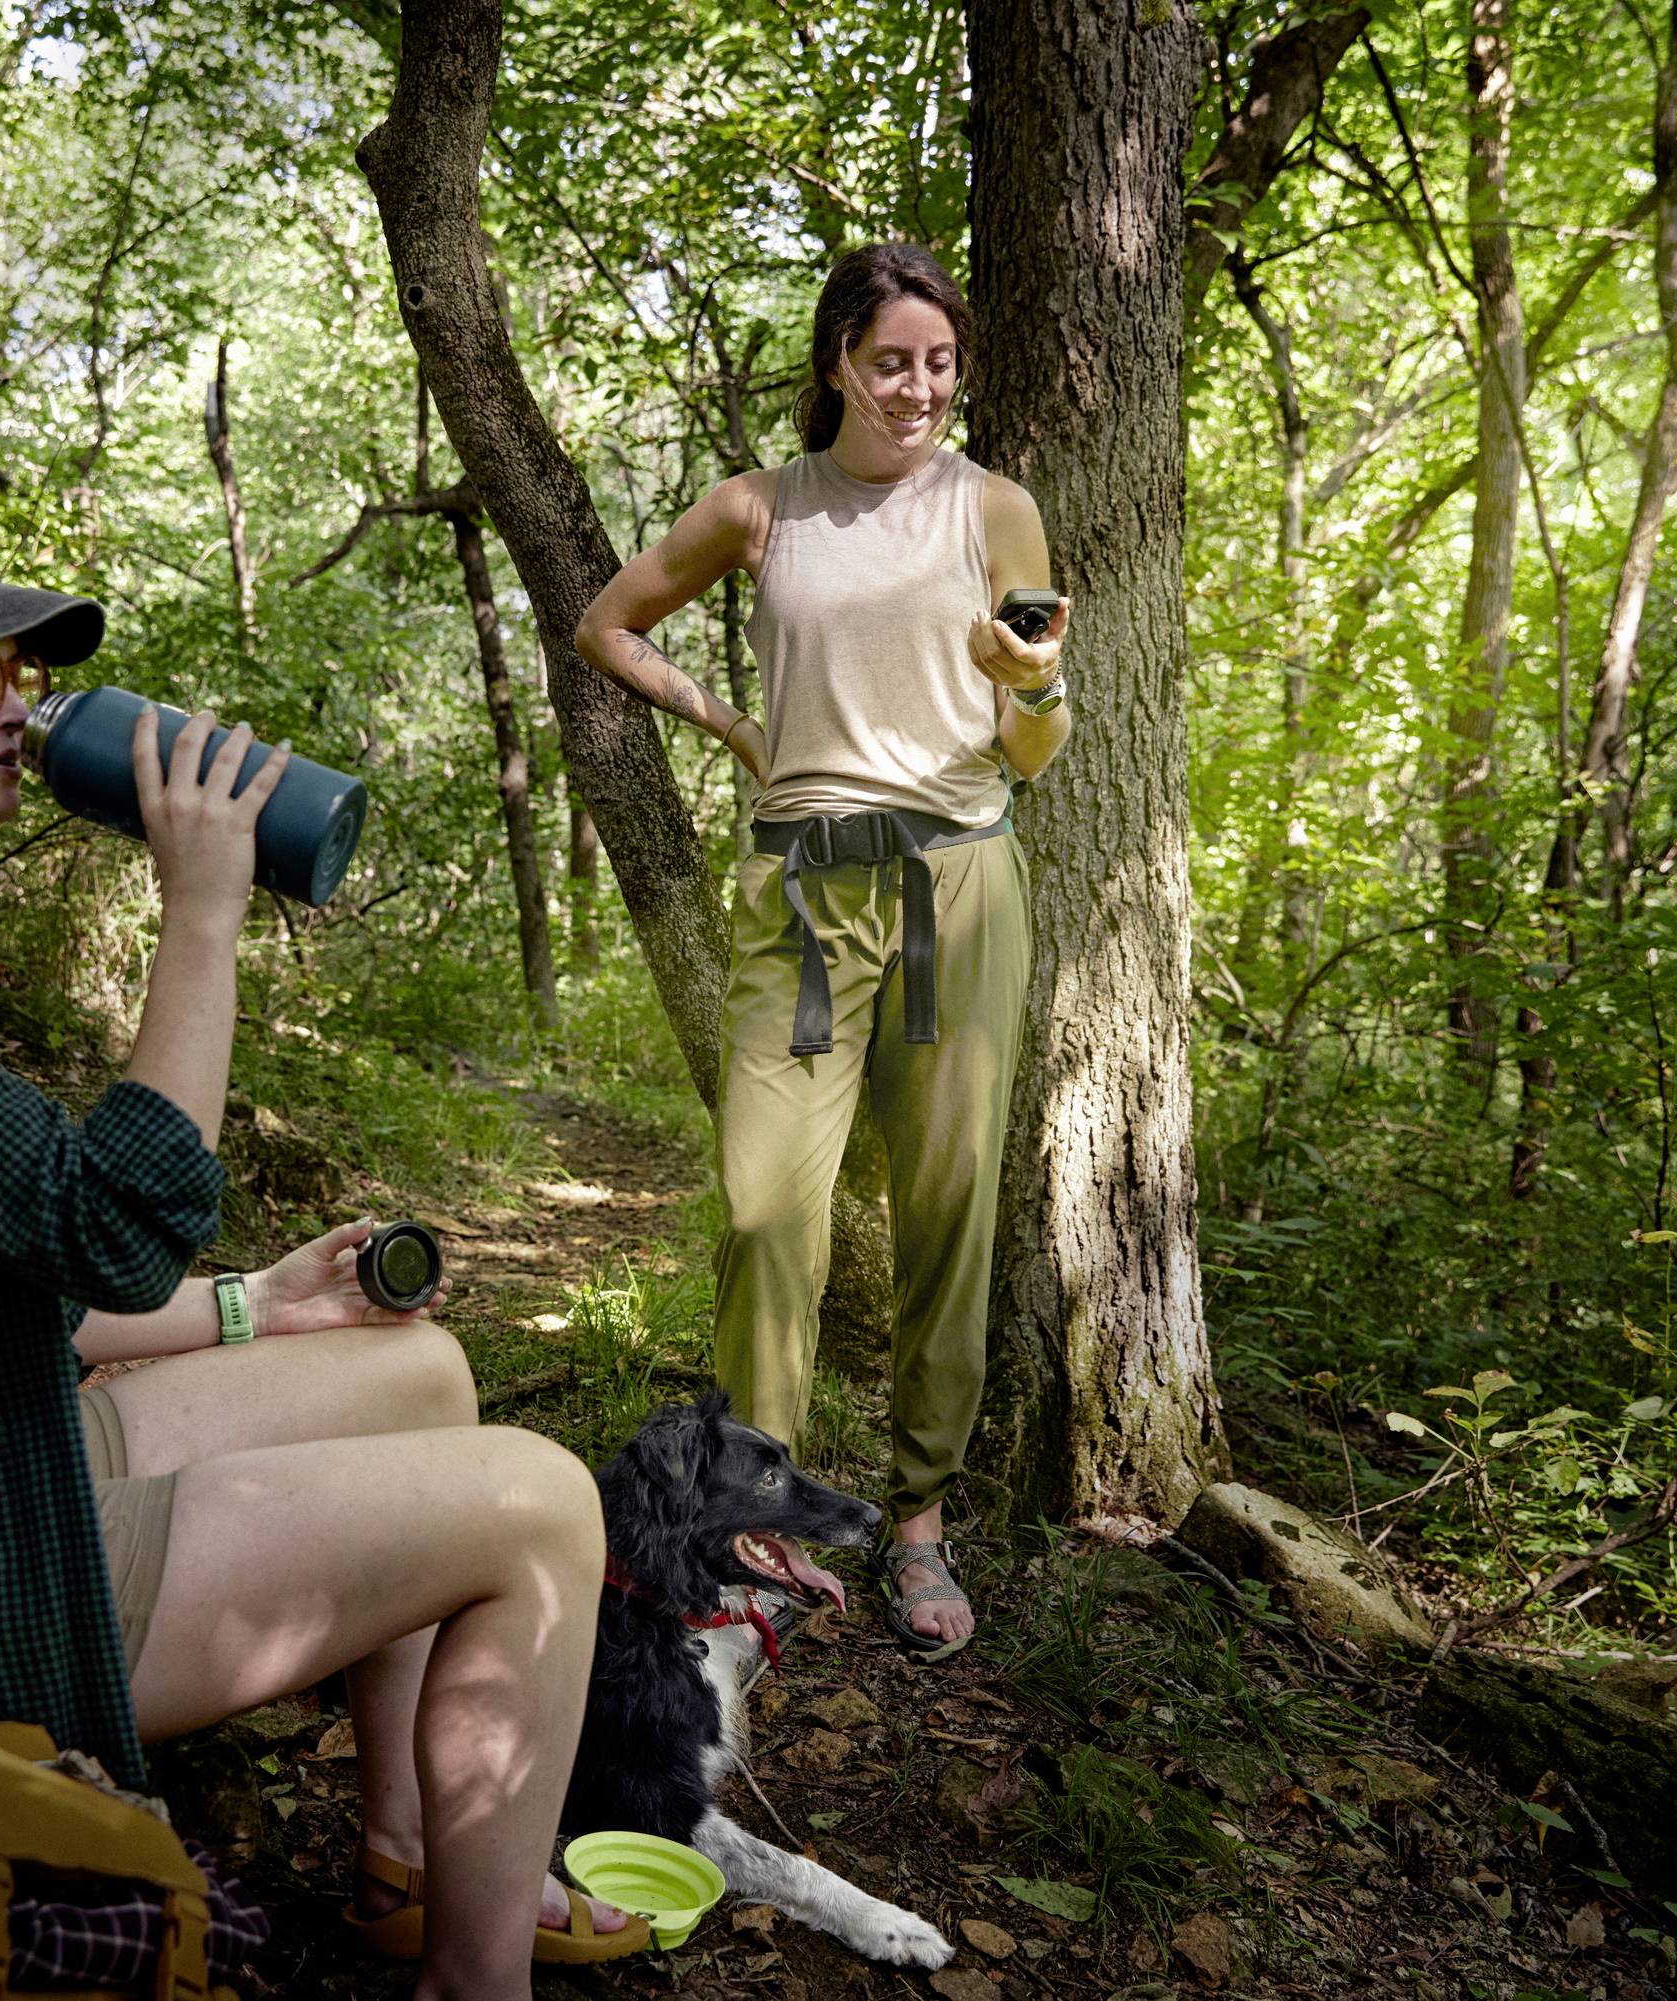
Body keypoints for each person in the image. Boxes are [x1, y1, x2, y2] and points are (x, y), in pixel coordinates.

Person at [0, 517, 640, 1998]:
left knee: (416, 1367)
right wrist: (204, 912)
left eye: (13, 667)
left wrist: (256, 1304)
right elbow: (105, 1216)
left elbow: (5, 1280)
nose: (11, 703)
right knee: (546, 1504)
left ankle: (413, 1860)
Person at [574, 245, 1072, 1662]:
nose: (917, 387)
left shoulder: (996, 510)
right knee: (761, 1210)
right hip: (798, 898)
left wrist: (1024, 683)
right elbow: (609, 623)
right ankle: (750, 1522)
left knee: (947, 1215)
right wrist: (731, 724)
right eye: (889, 359)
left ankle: (917, 1520)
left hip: (959, 886)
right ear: (837, 364)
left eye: (937, 360)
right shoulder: (759, 506)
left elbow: (1041, 743)